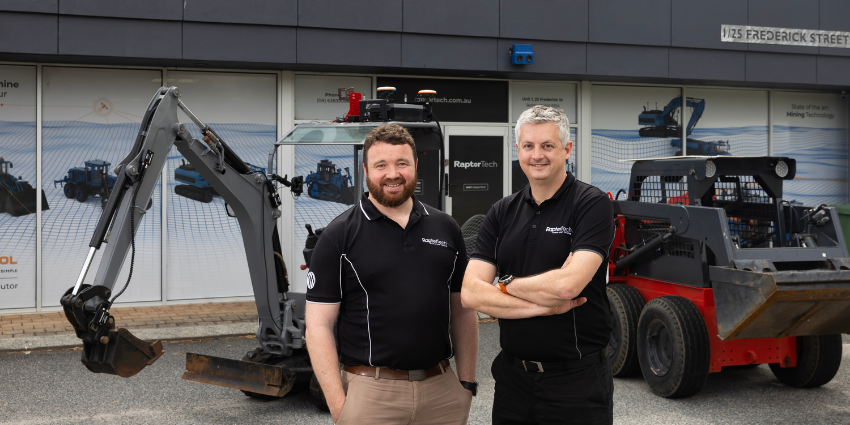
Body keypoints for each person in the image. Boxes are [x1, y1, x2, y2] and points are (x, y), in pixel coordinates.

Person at [306, 123, 479, 425]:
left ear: (415, 165)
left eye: (402, 163)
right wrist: (339, 407)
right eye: (381, 165)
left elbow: (463, 311)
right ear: (365, 170)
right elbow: (318, 327)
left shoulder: (446, 228)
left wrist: (465, 384)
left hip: (442, 392)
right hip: (371, 394)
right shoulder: (339, 236)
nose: (392, 174)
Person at [461, 105, 615, 424]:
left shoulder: (591, 204)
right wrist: (545, 305)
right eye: (528, 146)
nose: (537, 155)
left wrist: (504, 285)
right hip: (512, 382)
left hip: (577, 382)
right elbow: (470, 294)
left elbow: (568, 286)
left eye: (548, 145)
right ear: (518, 150)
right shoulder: (502, 212)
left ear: (566, 149)